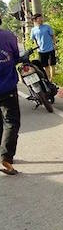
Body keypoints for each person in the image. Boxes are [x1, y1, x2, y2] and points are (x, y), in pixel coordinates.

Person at [0, 18, 20, 175]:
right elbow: (16, 57)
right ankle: (6, 157)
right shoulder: (9, 37)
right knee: (11, 122)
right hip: (7, 88)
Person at [30, 13, 56, 81]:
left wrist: (54, 44)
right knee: (45, 66)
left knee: (52, 65)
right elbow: (33, 39)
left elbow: (53, 35)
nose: (41, 19)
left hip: (50, 48)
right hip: (41, 50)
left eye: (42, 18)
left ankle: (52, 79)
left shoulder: (47, 27)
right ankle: (48, 79)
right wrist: (36, 45)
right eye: (39, 18)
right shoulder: (33, 30)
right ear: (35, 20)